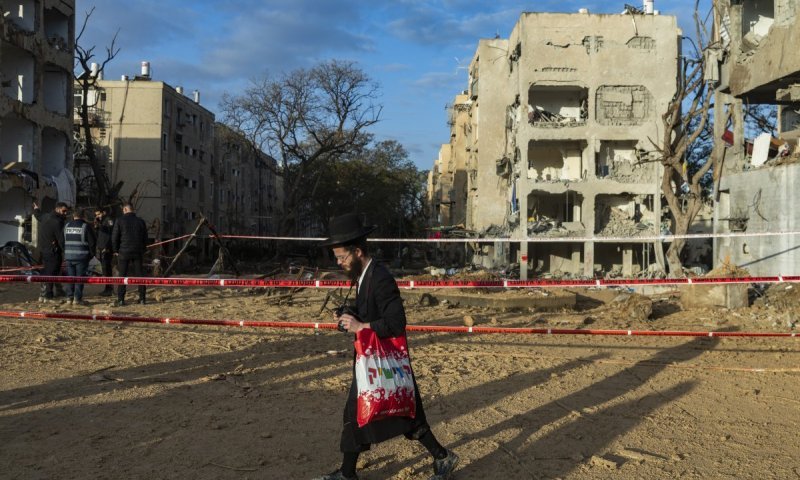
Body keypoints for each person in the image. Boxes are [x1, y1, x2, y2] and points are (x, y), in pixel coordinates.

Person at [315, 213, 459, 480]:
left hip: (383, 360)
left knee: (401, 414)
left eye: (341, 257)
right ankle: (349, 473)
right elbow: (370, 311)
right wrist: (350, 314)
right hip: (370, 360)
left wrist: (361, 327)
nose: (338, 262)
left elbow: (396, 322)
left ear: (357, 251)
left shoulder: (380, 278)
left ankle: (442, 457)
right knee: (367, 413)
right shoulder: (363, 276)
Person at [111, 202, 148, 306]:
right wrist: (143, 249)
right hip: (138, 251)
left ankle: (121, 299)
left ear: (125, 210)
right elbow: (145, 237)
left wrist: (116, 250)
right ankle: (142, 298)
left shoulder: (119, 220)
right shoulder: (140, 221)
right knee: (140, 275)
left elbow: (114, 237)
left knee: (122, 275)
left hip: (123, 251)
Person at [32, 201, 68, 303]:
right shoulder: (57, 222)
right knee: (52, 272)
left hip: (44, 250)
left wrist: (36, 208)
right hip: (54, 251)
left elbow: (38, 215)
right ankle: (48, 294)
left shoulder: (45, 217)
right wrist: (65, 251)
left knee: (49, 271)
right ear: (57, 209)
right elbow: (61, 239)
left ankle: (56, 291)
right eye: (64, 211)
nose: (65, 213)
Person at [63, 209, 96, 305]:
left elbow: (62, 241)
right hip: (81, 256)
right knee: (79, 278)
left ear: (73, 216)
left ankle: (69, 298)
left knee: (70, 278)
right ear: (83, 216)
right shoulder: (86, 226)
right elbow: (92, 242)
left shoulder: (66, 226)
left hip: (69, 256)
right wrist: (91, 255)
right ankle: (77, 298)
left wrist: (65, 253)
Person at [93, 206, 115, 296]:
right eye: (96, 215)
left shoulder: (109, 220)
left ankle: (109, 289)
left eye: (99, 214)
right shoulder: (100, 222)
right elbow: (99, 235)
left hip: (107, 248)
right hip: (101, 247)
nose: (98, 216)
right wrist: (96, 227)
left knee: (107, 268)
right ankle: (107, 288)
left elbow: (111, 235)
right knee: (104, 269)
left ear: (104, 212)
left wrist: (108, 247)